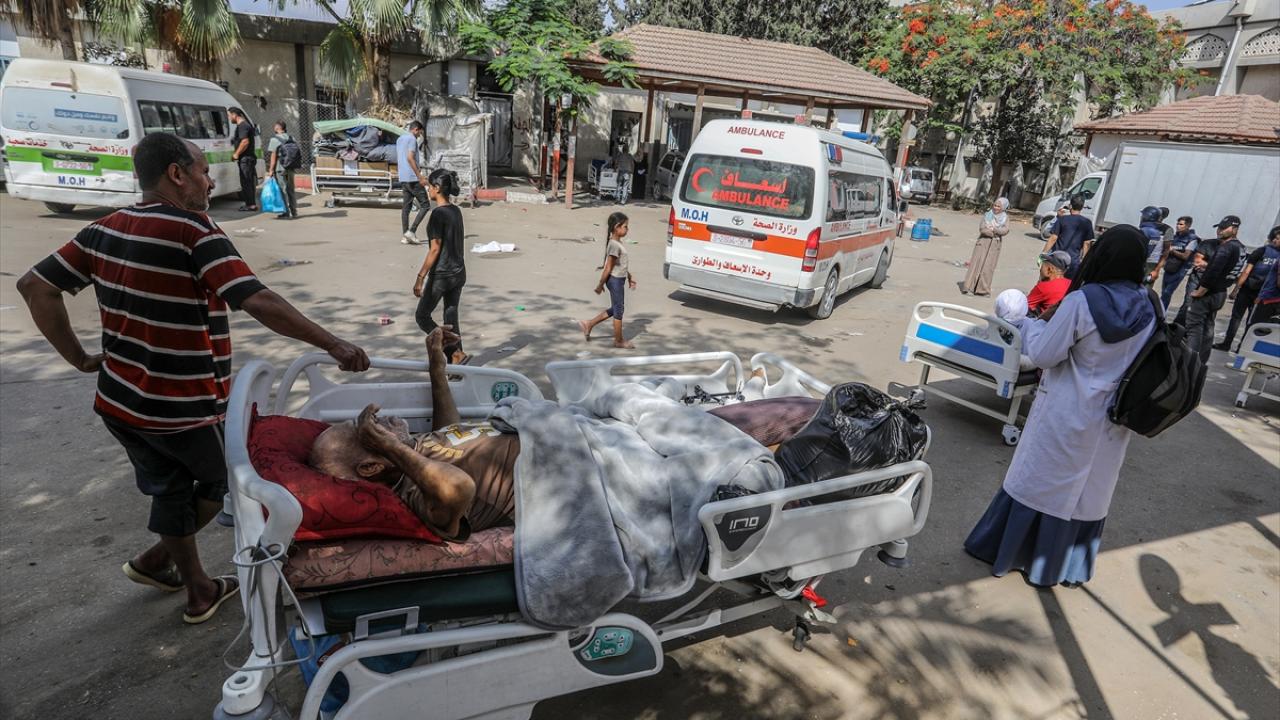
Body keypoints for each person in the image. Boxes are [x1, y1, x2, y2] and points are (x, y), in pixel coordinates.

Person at [15, 133, 370, 624]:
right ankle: (189, 580)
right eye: (203, 170)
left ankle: (169, 566)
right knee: (219, 480)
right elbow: (256, 299)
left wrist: (78, 358)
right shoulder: (194, 232)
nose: (210, 180)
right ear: (176, 174)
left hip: (120, 402)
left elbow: (35, 285)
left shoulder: (103, 229)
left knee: (170, 489)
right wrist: (333, 344)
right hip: (181, 407)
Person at [964, 225, 1157, 587]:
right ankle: (1065, 567)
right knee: (1088, 493)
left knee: (1040, 483)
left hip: (1068, 409)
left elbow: (1043, 354)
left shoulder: (1083, 301)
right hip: (1112, 416)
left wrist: (1029, 326)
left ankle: (1014, 553)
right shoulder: (1149, 304)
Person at [311, 328, 514, 540]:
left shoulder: (410, 450)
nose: (379, 418)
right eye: (369, 430)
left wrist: (437, 369)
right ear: (371, 467)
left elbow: (448, 433)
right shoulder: (415, 492)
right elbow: (460, 487)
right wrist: (390, 446)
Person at [413, 168, 469, 364]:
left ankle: (454, 352)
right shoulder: (456, 210)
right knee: (450, 317)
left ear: (437, 188)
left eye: (429, 186)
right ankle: (458, 359)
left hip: (443, 276)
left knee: (422, 316)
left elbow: (434, 250)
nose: (428, 189)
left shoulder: (437, 214)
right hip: (459, 272)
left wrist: (420, 277)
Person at [1185, 215, 1244, 363]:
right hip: (1220, 292)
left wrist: (1201, 290)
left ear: (1235, 229)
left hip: (1210, 292)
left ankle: (1189, 361)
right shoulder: (1240, 248)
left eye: (1225, 228)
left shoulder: (1227, 247)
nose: (1220, 231)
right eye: (1219, 227)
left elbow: (1213, 271)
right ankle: (1201, 361)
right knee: (1208, 326)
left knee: (1194, 326)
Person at [1217, 225, 1280, 352]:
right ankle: (1242, 347)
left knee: (1238, 318)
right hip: (1260, 293)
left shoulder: (1262, 251)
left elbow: (1246, 271)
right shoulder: (1265, 252)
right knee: (1252, 323)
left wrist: (1236, 289)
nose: (1275, 240)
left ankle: (1228, 344)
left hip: (1254, 291)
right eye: (1275, 238)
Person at [578, 212, 636, 349]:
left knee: (616, 308)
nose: (627, 229)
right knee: (619, 310)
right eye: (625, 226)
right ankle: (618, 340)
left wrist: (629, 277)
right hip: (615, 281)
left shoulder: (616, 243)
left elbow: (620, 264)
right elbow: (608, 267)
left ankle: (589, 324)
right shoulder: (614, 245)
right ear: (617, 227)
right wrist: (600, 284)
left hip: (618, 279)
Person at [961, 197, 1010, 296]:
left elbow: (1005, 230)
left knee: (988, 267)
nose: (995, 208)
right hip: (983, 242)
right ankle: (969, 287)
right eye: (995, 205)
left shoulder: (1005, 218)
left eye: (998, 206)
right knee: (976, 264)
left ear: (1004, 207)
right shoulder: (988, 215)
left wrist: (995, 229)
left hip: (994, 246)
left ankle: (982, 290)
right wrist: (993, 233)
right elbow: (982, 229)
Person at [1042, 194, 1094, 278]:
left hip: (1057, 260)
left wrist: (1043, 254)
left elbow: (1053, 238)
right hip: (1073, 262)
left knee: (1052, 283)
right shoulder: (1087, 223)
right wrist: (1084, 260)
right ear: (1082, 207)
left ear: (1070, 206)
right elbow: (1087, 243)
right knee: (1068, 286)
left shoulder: (1062, 219)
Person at [398, 120, 429, 245]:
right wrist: (419, 176)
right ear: (416, 129)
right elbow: (410, 158)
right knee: (425, 205)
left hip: (403, 177)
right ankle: (412, 231)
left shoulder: (400, 139)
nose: (419, 136)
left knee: (406, 207)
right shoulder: (411, 139)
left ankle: (405, 235)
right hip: (412, 178)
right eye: (419, 133)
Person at [1160, 216, 1199, 309]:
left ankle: (1159, 314)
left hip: (1180, 269)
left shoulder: (1192, 239)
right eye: (1177, 224)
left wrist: (1172, 250)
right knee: (1164, 292)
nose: (1178, 226)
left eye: (1181, 224)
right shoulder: (1175, 237)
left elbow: (1186, 256)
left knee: (1167, 293)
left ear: (1188, 225)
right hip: (1169, 267)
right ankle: (1161, 312)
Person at [266, 120, 298, 220]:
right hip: (291, 167)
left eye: (275, 125)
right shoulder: (292, 137)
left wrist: (271, 170)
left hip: (280, 168)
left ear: (278, 127)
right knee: (290, 190)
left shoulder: (274, 139)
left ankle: (286, 213)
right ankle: (294, 211)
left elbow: (273, 156)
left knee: (282, 190)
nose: (274, 127)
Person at [228, 107, 258, 212]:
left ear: (234, 115)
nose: (229, 118)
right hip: (246, 159)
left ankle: (251, 205)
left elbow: (245, 142)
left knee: (246, 182)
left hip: (246, 159)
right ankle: (250, 204)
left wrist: (236, 154)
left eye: (229, 115)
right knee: (247, 182)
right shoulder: (243, 126)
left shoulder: (243, 126)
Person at [1027, 251, 1072, 316]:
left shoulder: (1044, 287)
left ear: (1049, 269)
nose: (1040, 270)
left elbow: (1024, 306)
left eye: (1042, 266)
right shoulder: (1070, 283)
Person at [1139, 205, 1172, 286]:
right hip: (1140, 260)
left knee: (1146, 288)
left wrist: (1156, 270)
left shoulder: (1167, 230)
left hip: (1152, 263)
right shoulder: (1146, 226)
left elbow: (1166, 251)